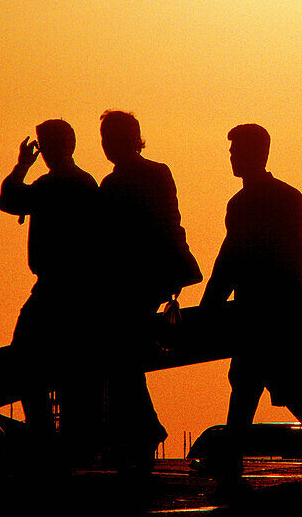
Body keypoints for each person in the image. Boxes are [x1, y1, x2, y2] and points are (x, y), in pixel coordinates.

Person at [200, 124, 302, 478]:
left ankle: (234, 455)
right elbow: (295, 256)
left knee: (253, 379)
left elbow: (232, 258)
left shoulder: (248, 202)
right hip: (279, 305)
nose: (232, 157)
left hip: (262, 308)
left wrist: (211, 304)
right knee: (273, 382)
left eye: (237, 150)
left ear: (258, 153)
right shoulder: (286, 196)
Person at [97, 110, 202, 472]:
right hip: (154, 277)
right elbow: (171, 223)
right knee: (127, 357)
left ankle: (140, 431)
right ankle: (141, 430)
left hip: (127, 282)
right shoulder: (158, 172)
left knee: (121, 357)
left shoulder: (113, 185)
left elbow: (107, 242)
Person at [0, 119, 98, 451]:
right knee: (74, 371)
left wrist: (21, 167)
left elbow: (10, 199)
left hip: (54, 289)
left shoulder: (52, 185)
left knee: (26, 362)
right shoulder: (85, 184)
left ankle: (44, 435)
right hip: (80, 291)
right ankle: (73, 439)